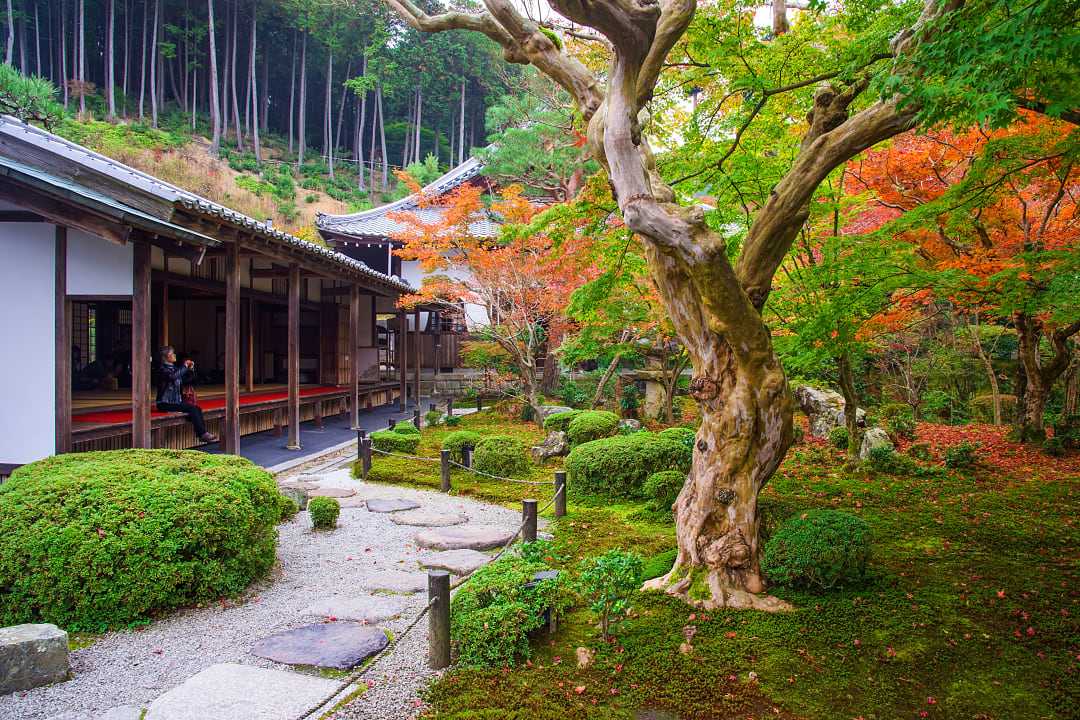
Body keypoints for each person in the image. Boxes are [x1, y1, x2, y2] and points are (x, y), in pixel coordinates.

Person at [156, 346, 217, 443]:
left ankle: (202, 434)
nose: (175, 355)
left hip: (176, 402)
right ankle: (202, 434)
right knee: (193, 409)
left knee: (196, 408)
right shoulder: (162, 370)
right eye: (172, 353)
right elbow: (172, 377)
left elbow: (187, 381)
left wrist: (191, 370)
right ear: (166, 356)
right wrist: (184, 366)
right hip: (164, 403)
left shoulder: (175, 369)